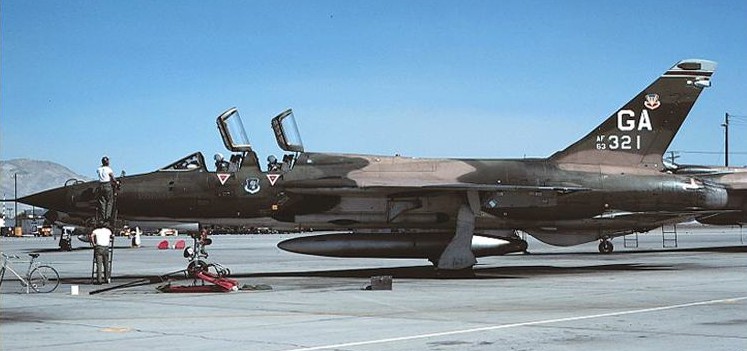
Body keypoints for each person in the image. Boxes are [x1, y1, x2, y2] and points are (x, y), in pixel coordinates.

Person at [96, 156, 119, 226]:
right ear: (107, 162)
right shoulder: (108, 169)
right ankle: (107, 217)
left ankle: (102, 218)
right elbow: (112, 178)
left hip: (100, 185)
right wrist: (116, 182)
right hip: (107, 185)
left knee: (102, 202)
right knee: (109, 202)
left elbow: (99, 171)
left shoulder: (99, 169)